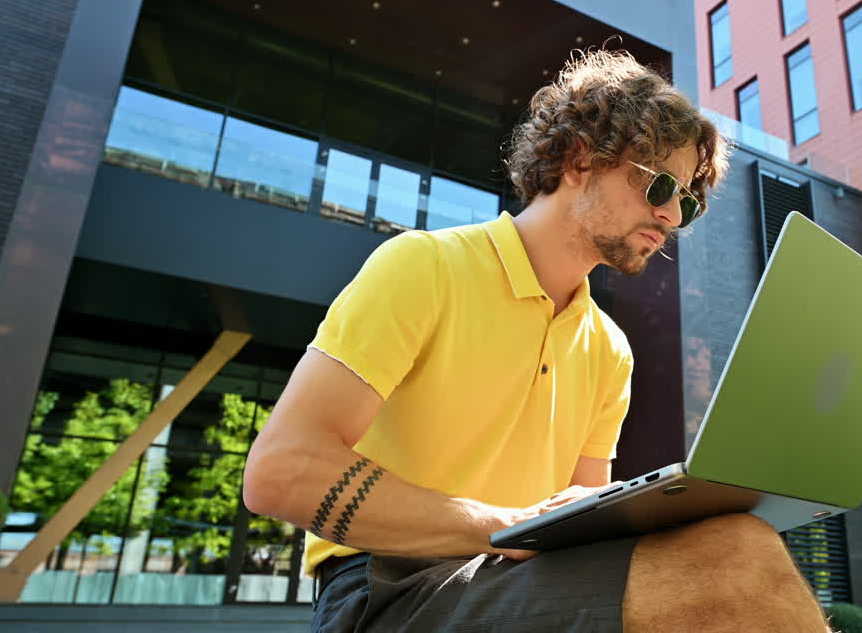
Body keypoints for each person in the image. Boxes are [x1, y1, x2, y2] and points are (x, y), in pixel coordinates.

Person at [243, 50, 832, 632]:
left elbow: (581, 523)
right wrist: (502, 523)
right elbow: (279, 471)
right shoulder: (425, 267)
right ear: (580, 159)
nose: (674, 216)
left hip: (509, 576)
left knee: (731, 543)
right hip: (382, 590)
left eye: (689, 200)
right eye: (659, 187)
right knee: (737, 561)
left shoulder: (608, 351)